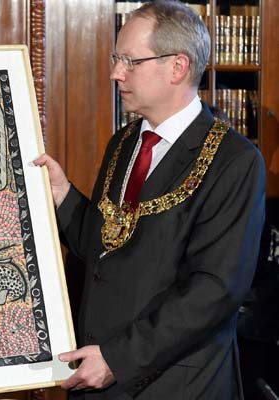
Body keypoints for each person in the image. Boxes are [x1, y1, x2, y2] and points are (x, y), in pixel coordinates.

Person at [34, 1, 265, 398]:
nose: (115, 73)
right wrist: (62, 194)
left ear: (177, 67)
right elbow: (106, 246)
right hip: (98, 376)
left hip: (175, 385)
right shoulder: (124, 142)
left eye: (130, 61)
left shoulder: (235, 161)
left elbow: (214, 290)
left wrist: (118, 359)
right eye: (116, 58)